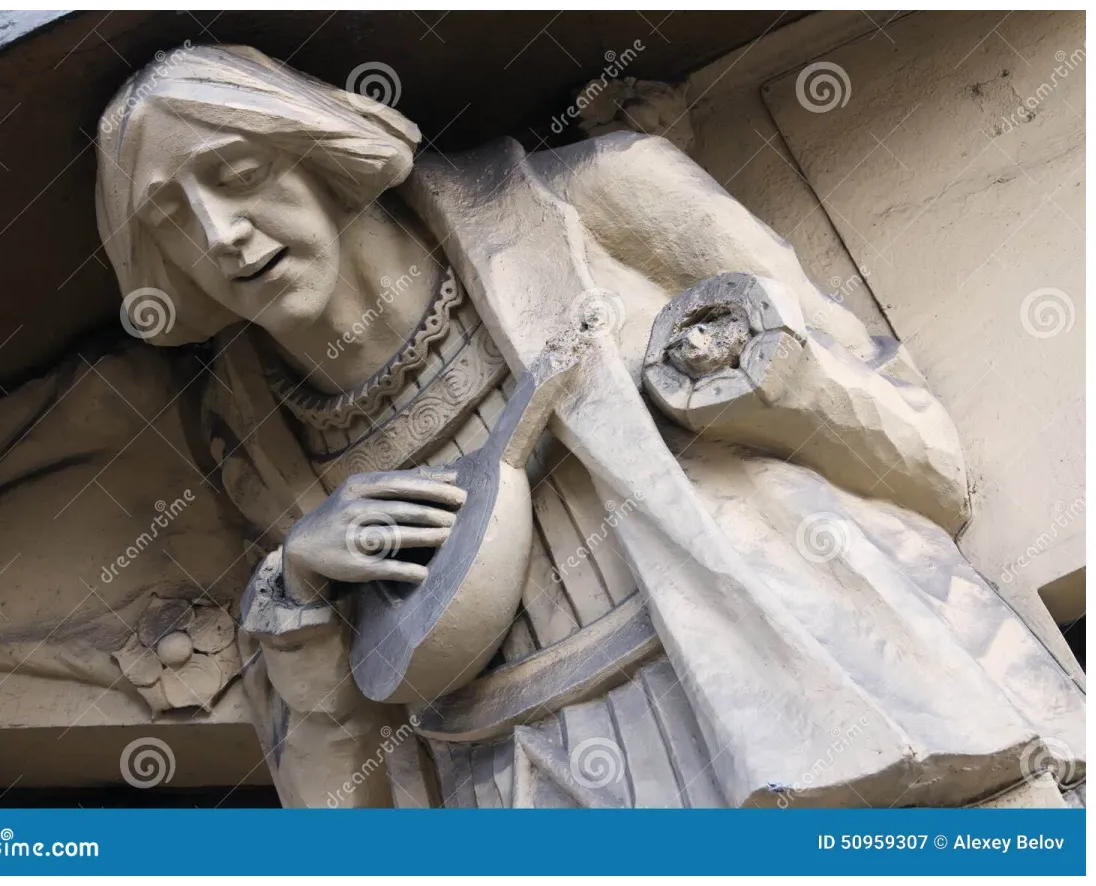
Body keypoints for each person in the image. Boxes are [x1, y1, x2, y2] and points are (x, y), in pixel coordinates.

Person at [96, 44, 1085, 808]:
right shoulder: (250, 443)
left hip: (783, 684)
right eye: (172, 218)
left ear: (324, 152)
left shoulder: (599, 197)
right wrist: (298, 597)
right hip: (515, 786)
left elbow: (923, 457)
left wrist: (740, 373)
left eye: (237, 173)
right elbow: (344, 812)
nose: (221, 235)